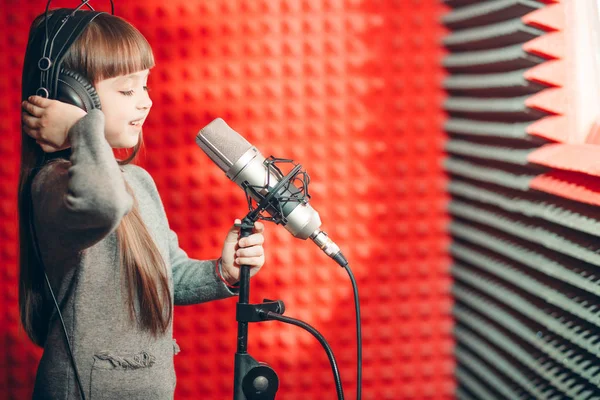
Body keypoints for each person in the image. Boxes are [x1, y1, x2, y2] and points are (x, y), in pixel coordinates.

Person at [18, 8, 266, 399]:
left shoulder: (139, 181)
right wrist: (80, 128)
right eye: (128, 90)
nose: (145, 103)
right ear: (72, 98)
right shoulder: (53, 186)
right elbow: (105, 203)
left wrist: (223, 271)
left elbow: (169, 277)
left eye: (146, 87)